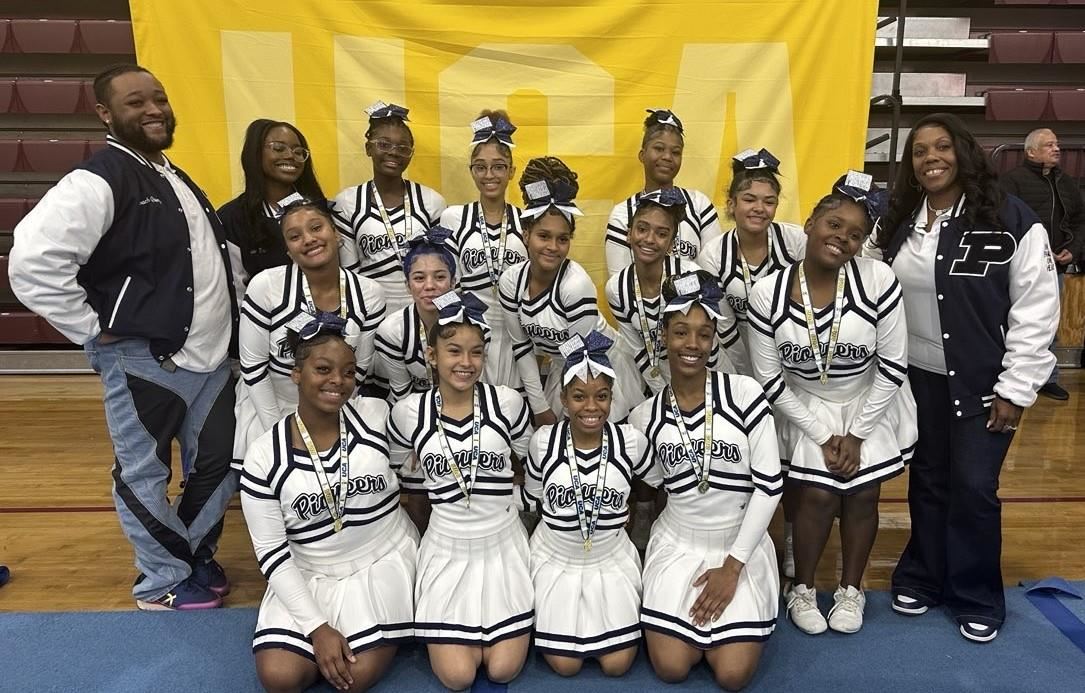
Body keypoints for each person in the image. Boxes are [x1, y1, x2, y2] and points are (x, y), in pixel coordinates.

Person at [8, 64, 240, 610]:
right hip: (144, 361)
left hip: (211, 362)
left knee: (219, 464)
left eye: (158, 98)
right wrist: (94, 327)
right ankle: (160, 580)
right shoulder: (96, 180)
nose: (153, 109)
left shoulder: (175, 175)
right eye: (135, 103)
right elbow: (32, 264)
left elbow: (210, 262)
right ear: (105, 114)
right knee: (144, 473)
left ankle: (190, 555)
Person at [872, 112, 1059, 643]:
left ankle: (976, 594)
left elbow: (1037, 307)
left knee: (974, 487)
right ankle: (923, 577)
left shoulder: (1010, 217)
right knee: (928, 480)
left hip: (984, 382)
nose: (931, 158)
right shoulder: (900, 220)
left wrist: (1016, 387)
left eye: (942, 147)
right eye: (920, 151)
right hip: (918, 379)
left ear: (964, 151)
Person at [747, 172, 916, 635]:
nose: (842, 238)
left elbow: (893, 364)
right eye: (834, 225)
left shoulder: (879, 279)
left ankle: (851, 590)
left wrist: (857, 434)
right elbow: (768, 377)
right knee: (817, 495)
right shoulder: (767, 293)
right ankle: (801, 589)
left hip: (869, 400)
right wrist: (823, 435)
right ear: (809, 223)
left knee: (863, 492)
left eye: (856, 234)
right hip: (804, 405)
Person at [240, 315, 418, 693]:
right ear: (296, 373)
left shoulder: (375, 416)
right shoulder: (262, 455)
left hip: (381, 559)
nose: (338, 380)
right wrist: (317, 628)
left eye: (349, 371)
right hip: (311, 570)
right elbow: (272, 553)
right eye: (323, 369)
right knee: (280, 678)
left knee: (350, 679)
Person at [628, 271, 782, 691]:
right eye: (680, 332)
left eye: (702, 333)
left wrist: (732, 568)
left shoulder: (745, 394)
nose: (691, 344)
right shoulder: (645, 416)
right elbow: (659, 485)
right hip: (678, 543)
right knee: (672, 668)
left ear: (714, 338)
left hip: (738, 546)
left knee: (732, 676)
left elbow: (770, 487)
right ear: (664, 336)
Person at [388, 291, 533, 690]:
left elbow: (528, 461)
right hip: (447, 547)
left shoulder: (507, 403)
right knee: (457, 677)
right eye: (453, 351)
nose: (465, 363)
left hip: (502, 546)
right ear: (432, 355)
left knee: (502, 669)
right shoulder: (407, 414)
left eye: (476, 353)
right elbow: (405, 475)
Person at [523, 330, 659, 677]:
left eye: (601, 396)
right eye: (579, 396)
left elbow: (661, 484)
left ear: (612, 399)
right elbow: (535, 499)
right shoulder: (542, 443)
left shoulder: (629, 442)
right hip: (557, 559)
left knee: (617, 665)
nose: (591, 407)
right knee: (565, 665)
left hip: (610, 558)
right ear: (564, 400)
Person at [695, 148, 805, 578]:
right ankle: (740, 533)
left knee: (787, 458)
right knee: (744, 456)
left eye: (768, 200)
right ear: (732, 203)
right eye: (749, 198)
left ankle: (791, 537)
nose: (758, 208)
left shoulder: (793, 242)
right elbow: (718, 324)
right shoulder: (713, 255)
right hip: (736, 364)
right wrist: (740, 382)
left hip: (792, 363)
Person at [235, 197, 385, 460]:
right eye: (295, 236)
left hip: (337, 403)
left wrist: (331, 421)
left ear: (335, 233)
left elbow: (359, 369)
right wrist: (279, 431)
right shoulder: (266, 286)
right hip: (272, 405)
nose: (308, 239)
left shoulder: (369, 293)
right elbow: (253, 368)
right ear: (288, 250)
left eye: (316, 228)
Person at [499, 157, 624, 426]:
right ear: (525, 235)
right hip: (563, 365)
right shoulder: (511, 282)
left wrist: (551, 407)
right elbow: (521, 347)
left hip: (600, 366)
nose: (553, 247)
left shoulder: (575, 286)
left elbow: (578, 355)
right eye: (543, 236)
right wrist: (539, 406)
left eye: (563, 238)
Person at [440, 111, 527, 391]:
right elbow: (447, 285)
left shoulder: (527, 221)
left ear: (512, 171)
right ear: (471, 171)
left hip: (517, 336)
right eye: (481, 167)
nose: (489, 175)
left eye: (499, 166)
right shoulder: (453, 218)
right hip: (472, 334)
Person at [335, 101, 445, 314]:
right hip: (371, 310)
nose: (394, 152)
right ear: (369, 148)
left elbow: (444, 268)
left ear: (410, 154)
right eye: (384, 144)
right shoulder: (347, 202)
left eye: (402, 148)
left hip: (423, 311)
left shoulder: (431, 201)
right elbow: (349, 273)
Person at [999, 127, 1084, 401]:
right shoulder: (1012, 181)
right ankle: (1008, 377)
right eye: (1049, 145)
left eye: (1057, 144)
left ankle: (1048, 378)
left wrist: (1073, 249)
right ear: (1031, 151)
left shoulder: (1067, 182)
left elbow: (1080, 221)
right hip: (1014, 266)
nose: (1056, 149)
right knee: (1012, 321)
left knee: (1048, 323)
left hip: (1054, 266)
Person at [606, 188, 705, 400]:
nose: (650, 239)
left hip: (700, 376)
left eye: (661, 234)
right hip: (652, 380)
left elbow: (707, 345)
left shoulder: (689, 276)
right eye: (642, 229)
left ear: (671, 243)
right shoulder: (617, 288)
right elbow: (637, 350)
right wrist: (664, 395)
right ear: (628, 232)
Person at [605, 109, 722, 277]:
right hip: (640, 302)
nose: (667, 157)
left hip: (696, 301)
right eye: (659, 149)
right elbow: (619, 283)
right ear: (642, 155)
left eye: (675, 152)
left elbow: (713, 272)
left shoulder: (699, 204)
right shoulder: (623, 213)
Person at [219, 118, 326, 298]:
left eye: (299, 151)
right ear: (255, 153)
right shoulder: (232, 217)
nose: (291, 156)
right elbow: (236, 290)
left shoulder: (321, 208)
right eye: (278, 148)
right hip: (263, 319)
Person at [373, 225, 457, 401]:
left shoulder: (474, 323)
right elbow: (401, 393)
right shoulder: (391, 331)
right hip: (412, 409)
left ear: (453, 283)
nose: (429, 286)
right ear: (407, 285)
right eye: (419, 278)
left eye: (440, 277)